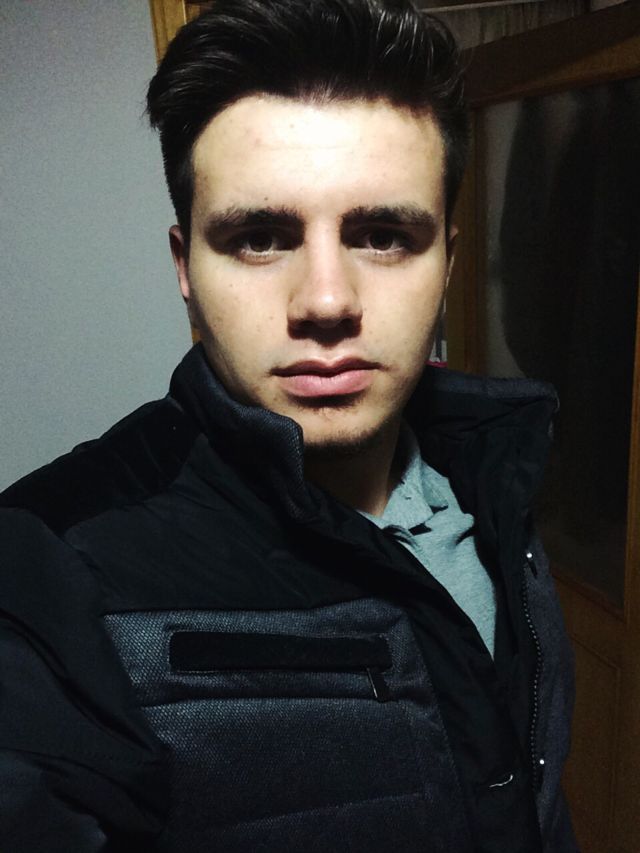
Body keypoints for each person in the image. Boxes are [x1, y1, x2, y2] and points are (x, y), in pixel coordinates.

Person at [0, 1, 576, 850]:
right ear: (185, 267)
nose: (327, 300)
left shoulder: (494, 475)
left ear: (449, 261)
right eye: (262, 237)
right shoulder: (48, 563)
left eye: (384, 235)